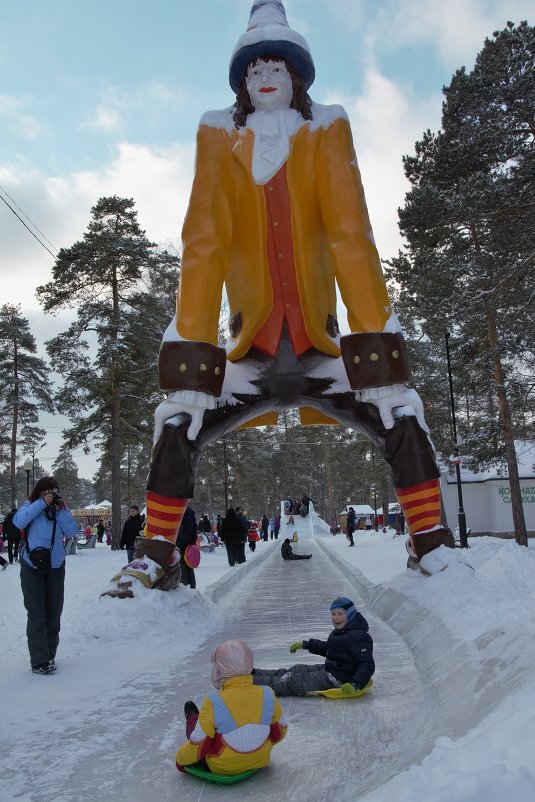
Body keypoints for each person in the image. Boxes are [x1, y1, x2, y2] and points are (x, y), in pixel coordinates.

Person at [105, 0, 452, 598]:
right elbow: (204, 242)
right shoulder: (219, 132)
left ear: (296, 77)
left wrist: (375, 349)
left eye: (278, 66)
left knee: (399, 411)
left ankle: (431, 544)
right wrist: (193, 356)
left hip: (319, 350)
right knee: (179, 422)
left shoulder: (326, 128)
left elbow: (351, 234)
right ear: (242, 81)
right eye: (254, 68)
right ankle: (155, 554)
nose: (265, 76)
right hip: (253, 354)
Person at [176, 639, 287, 775]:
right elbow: (280, 731)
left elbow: (199, 745)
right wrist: (261, 746)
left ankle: (192, 717)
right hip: (260, 759)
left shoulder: (214, 701)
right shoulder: (267, 693)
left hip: (223, 766)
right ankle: (195, 717)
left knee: (197, 729)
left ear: (219, 669)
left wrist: (180, 760)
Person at [14, 477, 77, 674]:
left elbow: (72, 530)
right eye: (47, 491)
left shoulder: (60, 510)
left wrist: (61, 511)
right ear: (39, 492)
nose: (51, 494)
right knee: (36, 613)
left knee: (53, 612)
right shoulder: (31, 506)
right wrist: (40, 504)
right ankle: (39, 660)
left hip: (56, 566)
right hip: (32, 566)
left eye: (54, 491)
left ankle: (49, 655)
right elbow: (19, 522)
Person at [253, 597, 374, 696]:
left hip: (340, 680)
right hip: (330, 670)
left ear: (350, 614)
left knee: (292, 681)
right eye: (333, 614)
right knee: (296, 669)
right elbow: (330, 649)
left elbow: (367, 664)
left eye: (340, 614)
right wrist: (306, 645)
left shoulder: (358, 636)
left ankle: (253, 682)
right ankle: (255, 673)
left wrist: (355, 683)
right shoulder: (343, 630)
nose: (336, 617)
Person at [176, 503, 198, 588]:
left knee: (182, 564)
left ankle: (184, 585)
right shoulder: (191, 511)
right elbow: (194, 527)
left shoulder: (179, 510)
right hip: (189, 543)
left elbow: (180, 528)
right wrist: (192, 540)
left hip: (180, 542)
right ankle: (192, 585)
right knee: (188, 564)